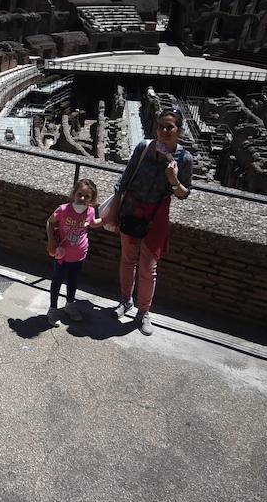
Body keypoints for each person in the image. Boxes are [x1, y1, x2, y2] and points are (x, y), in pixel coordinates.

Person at [106, 108, 195, 335]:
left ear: (178, 130)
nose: (164, 131)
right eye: (161, 126)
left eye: (170, 127)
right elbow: (125, 178)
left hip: (156, 216)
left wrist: (173, 180)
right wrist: (115, 206)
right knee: (127, 260)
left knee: (148, 268)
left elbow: (184, 194)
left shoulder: (184, 159)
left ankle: (143, 311)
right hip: (132, 209)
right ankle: (125, 301)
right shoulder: (143, 147)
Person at [45, 178, 102, 324]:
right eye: (79, 194)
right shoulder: (63, 210)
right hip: (63, 255)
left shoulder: (90, 211)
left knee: (73, 281)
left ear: (92, 199)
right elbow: (50, 223)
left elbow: (93, 223)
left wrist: (108, 219)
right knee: (57, 280)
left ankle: (70, 304)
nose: (82, 199)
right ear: (74, 194)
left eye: (87, 196)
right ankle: (53, 308)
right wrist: (51, 240)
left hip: (79, 255)